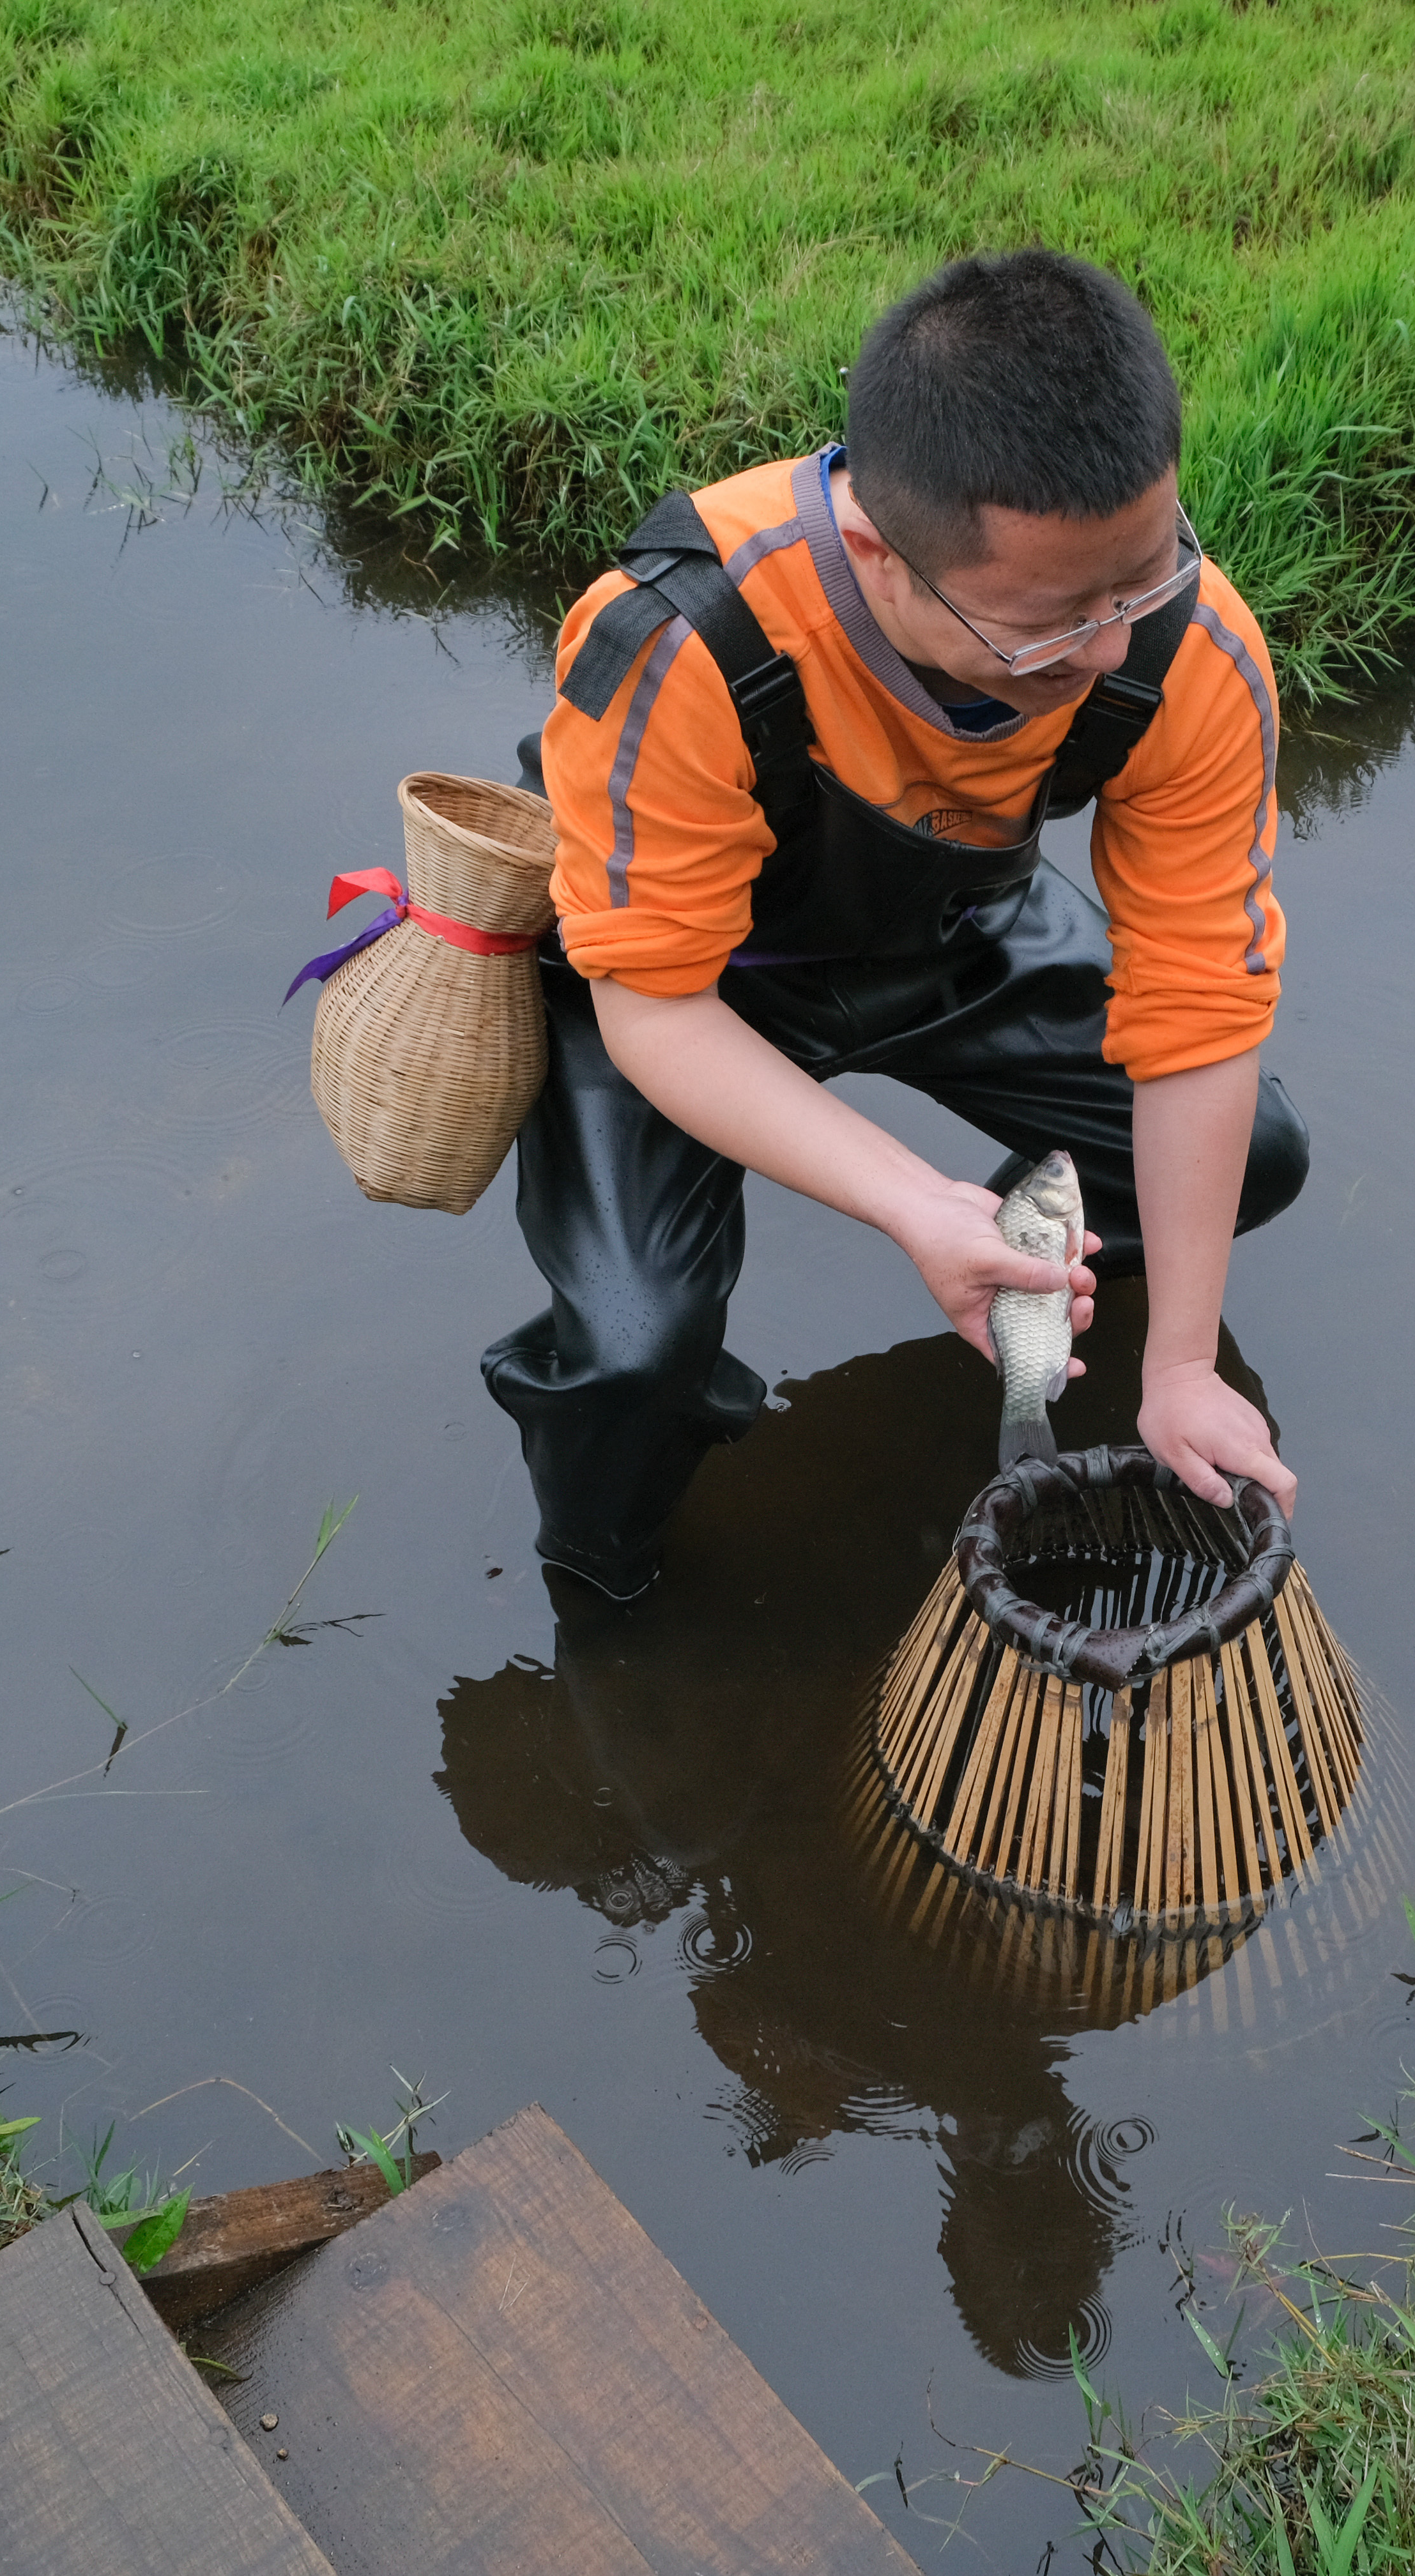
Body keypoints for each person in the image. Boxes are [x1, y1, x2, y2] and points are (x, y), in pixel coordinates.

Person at [485, 248, 1307, 1598]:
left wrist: (1182, 1366)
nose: (1110, 650)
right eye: (1047, 629)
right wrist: (911, 1201)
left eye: (1142, 580)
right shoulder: (680, 640)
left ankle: (1035, 1274)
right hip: (693, 988)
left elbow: (1203, 1010)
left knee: (1254, 1154)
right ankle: (602, 1582)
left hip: (955, 933)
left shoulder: (1191, 649)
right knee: (638, 1348)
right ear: (882, 551)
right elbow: (652, 1005)